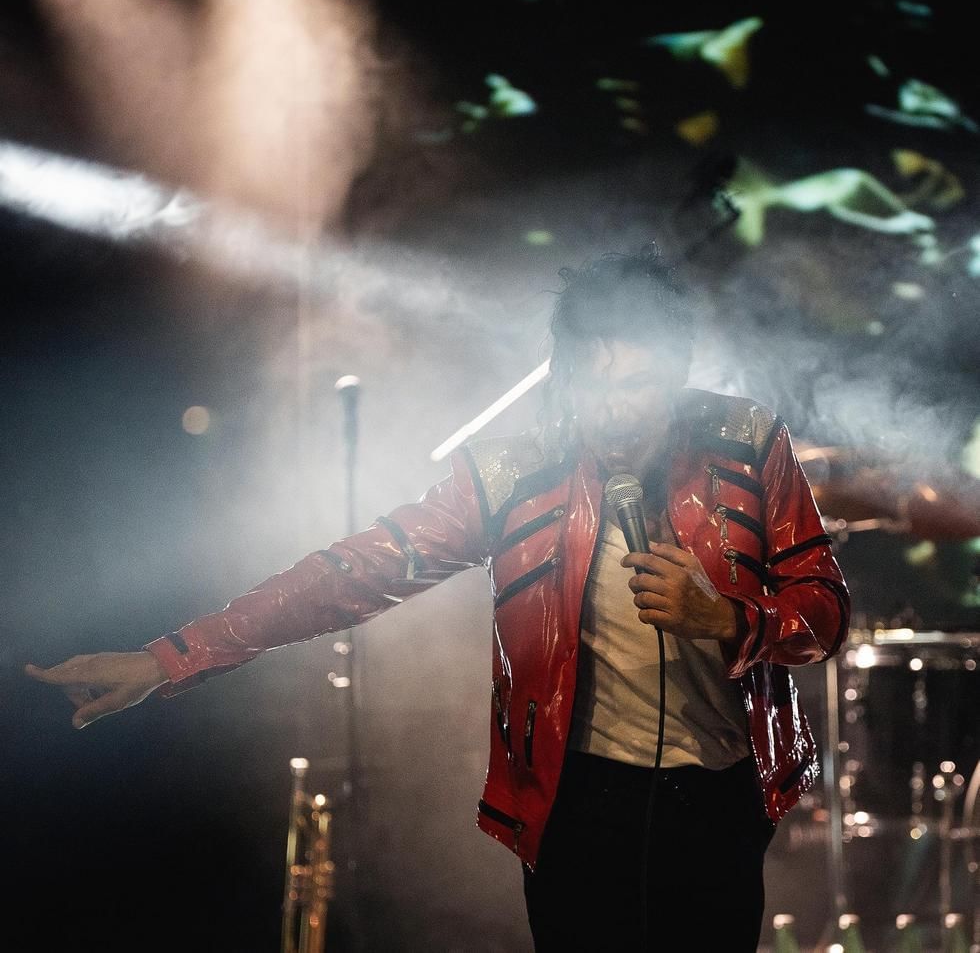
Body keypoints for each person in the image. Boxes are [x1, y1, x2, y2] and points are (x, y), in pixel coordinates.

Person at [27, 247, 849, 951]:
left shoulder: (747, 441)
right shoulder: (509, 474)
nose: (613, 412)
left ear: (676, 373)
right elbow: (351, 574)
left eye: (636, 386)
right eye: (594, 386)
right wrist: (168, 656)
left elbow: (825, 611)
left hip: (717, 798)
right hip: (577, 800)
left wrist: (730, 618)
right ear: (566, 373)